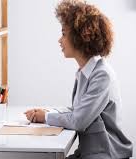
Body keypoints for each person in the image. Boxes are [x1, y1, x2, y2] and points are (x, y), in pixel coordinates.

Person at [24, 0, 133, 158]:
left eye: (63, 34)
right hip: (89, 153)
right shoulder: (85, 72)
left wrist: (46, 117)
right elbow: (78, 111)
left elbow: (79, 121)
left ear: (80, 37)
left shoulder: (102, 75)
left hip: (106, 155)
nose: (59, 40)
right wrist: (48, 112)